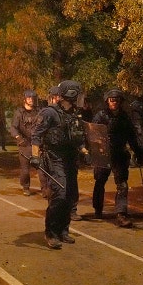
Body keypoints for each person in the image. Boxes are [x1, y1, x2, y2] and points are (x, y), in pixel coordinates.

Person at [30, 80, 90, 249]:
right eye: (78, 95)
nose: (80, 99)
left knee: (70, 196)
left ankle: (64, 230)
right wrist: (35, 157)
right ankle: (51, 232)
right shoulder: (49, 113)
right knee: (60, 195)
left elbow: (78, 138)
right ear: (70, 95)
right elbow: (36, 135)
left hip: (71, 160)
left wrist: (86, 153)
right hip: (55, 159)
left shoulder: (74, 114)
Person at [91, 89, 142, 228]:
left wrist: (138, 152)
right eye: (112, 99)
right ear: (107, 101)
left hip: (119, 155)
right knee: (100, 182)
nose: (114, 102)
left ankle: (121, 214)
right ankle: (98, 209)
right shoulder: (100, 116)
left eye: (117, 100)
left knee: (122, 185)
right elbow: (93, 135)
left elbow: (132, 137)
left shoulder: (125, 117)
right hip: (103, 155)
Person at [10, 90, 48, 197]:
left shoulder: (39, 111)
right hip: (25, 144)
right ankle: (26, 187)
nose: (31, 99)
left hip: (37, 144)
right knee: (25, 170)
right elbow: (13, 128)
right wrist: (18, 138)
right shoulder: (19, 113)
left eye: (32, 98)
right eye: (28, 97)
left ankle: (45, 190)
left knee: (41, 168)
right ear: (25, 99)